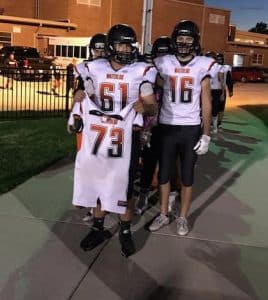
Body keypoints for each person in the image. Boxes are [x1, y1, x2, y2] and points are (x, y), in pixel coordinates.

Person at [69, 24, 157, 257]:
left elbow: (152, 104)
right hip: (99, 135)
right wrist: (77, 97)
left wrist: (146, 106)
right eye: (122, 44)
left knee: (124, 186)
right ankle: (98, 227)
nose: (127, 49)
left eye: (129, 44)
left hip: (126, 136)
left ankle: (125, 231)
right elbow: (82, 94)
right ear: (110, 46)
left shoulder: (141, 70)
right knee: (99, 181)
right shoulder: (94, 68)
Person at [149, 20, 217, 236]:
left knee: (187, 176)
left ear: (195, 41)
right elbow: (153, 86)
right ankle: (163, 213)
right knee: (164, 175)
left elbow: (206, 101)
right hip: (167, 127)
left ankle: (182, 217)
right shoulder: (163, 62)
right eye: (181, 38)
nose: (184, 42)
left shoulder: (203, 64)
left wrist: (206, 134)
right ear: (174, 39)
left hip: (190, 128)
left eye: (189, 38)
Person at [135, 36, 180, 215]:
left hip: (172, 125)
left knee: (170, 165)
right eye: (159, 56)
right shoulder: (147, 73)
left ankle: (171, 197)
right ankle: (144, 194)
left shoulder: (177, 73)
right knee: (148, 163)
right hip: (151, 126)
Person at [71, 33, 107, 223]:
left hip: (107, 126)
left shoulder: (112, 69)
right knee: (88, 166)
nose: (99, 52)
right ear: (91, 50)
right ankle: (93, 205)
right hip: (88, 125)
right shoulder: (84, 69)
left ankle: (102, 204)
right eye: (96, 49)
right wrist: (75, 115)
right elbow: (77, 94)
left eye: (103, 48)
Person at [205, 51, 225, 134]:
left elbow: (221, 81)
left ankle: (215, 127)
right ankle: (208, 127)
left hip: (216, 90)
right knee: (206, 108)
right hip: (207, 89)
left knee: (214, 109)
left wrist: (223, 93)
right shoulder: (205, 67)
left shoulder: (219, 67)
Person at [215, 52, 233, 129]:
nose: (219, 60)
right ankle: (214, 122)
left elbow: (229, 80)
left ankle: (219, 122)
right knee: (213, 107)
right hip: (213, 90)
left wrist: (230, 90)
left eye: (220, 59)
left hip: (222, 90)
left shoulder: (226, 68)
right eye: (218, 59)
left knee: (221, 108)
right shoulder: (212, 67)